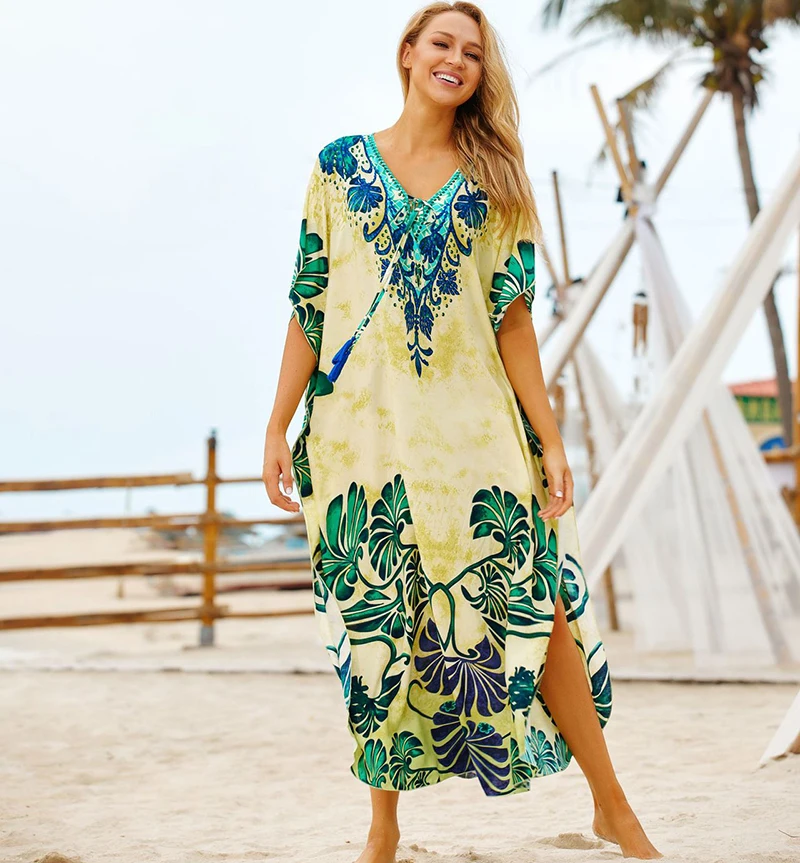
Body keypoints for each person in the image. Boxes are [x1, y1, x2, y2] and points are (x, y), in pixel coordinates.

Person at [263, 2, 662, 860]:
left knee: (537, 607)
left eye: (473, 53)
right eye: (441, 43)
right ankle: (383, 827)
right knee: (379, 622)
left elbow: (513, 319)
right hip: (360, 438)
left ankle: (614, 807)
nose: (456, 60)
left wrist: (549, 437)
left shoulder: (494, 181)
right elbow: (309, 301)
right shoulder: (338, 168)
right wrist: (276, 423)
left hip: (476, 434)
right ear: (408, 52)